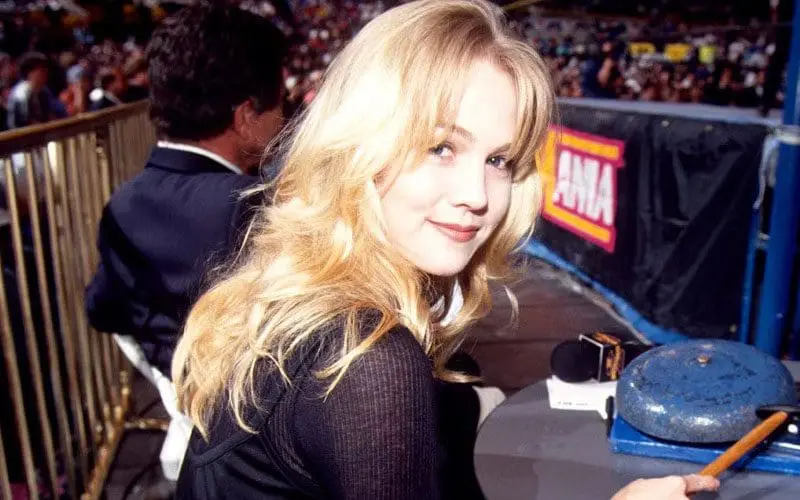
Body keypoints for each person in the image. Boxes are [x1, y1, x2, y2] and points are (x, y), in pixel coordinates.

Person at [172, 1, 721, 499]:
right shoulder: (370, 360)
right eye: (441, 147)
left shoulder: (306, 297)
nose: (477, 196)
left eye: (498, 160)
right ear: (361, 147)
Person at [85, 3, 287, 378]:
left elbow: (101, 308)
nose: (283, 120)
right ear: (246, 117)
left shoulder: (123, 204)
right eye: (280, 103)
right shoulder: (252, 204)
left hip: (176, 392)